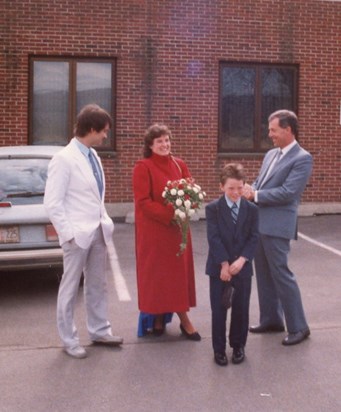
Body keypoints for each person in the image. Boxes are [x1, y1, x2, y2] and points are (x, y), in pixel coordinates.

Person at [44, 104, 123, 359]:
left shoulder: (93, 156)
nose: (105, 137)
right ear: (91, 129)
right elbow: (52, 203)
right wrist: (68, 235)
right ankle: (69, 340)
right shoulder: (63, 159)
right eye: (104, 132)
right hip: (76, 236)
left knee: (97, 285)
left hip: (98, 231)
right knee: (69, 289)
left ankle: (100, 330)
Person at [243, 109, 313, 346]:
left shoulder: (302, 158)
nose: (269, 134)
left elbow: (288, 192)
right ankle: (271, 319)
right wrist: (249, 189)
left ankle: (299, 327)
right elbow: (259, 182)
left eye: (273, 130)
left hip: (278, 226)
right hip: (260, 224)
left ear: (288, 129)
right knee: (263, 275)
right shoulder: (271, 154)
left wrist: (255, 195)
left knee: (282, 275)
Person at [132, 123, 200, 341]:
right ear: (150, 145)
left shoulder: (179, 164)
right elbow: (143, 202)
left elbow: (191, 191)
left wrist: (187, 206)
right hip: (155, 233)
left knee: (177, 278)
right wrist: (170, 213)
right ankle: (168, 319)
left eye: (167, 140)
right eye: (159, 141)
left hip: (177, 232)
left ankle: (176, 320)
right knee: (159, 278)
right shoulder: (143, 167)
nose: (164, 144)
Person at [205, 163, 259, 366]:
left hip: (242, 267)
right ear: (221, 187)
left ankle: (238, 345)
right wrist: (224, 264)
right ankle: (218, 349)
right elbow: (214, 237)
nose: (235, 192)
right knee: (219, 309)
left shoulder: (251, 209)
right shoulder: (214, 209)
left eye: (239, 187)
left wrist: (242, 260)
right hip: (220, 268)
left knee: (241, 308)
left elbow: (253, 238)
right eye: (230, 188)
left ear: (244, 185)